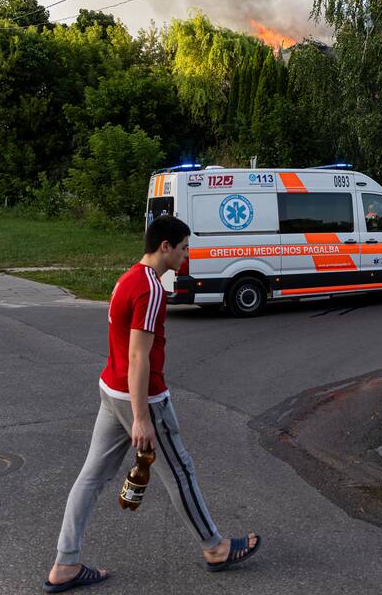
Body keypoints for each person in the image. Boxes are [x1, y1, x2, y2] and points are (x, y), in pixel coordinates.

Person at [45, 215, 261, 593]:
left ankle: (65, 563)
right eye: (183, 248)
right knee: (180, 473)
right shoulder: (150, 290)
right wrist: (142, 418)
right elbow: (138, 357)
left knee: (91, 477)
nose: (186, 254)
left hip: (111, 390)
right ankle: (216, 548)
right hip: (139, 398)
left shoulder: (128, 278)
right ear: (165, 246)